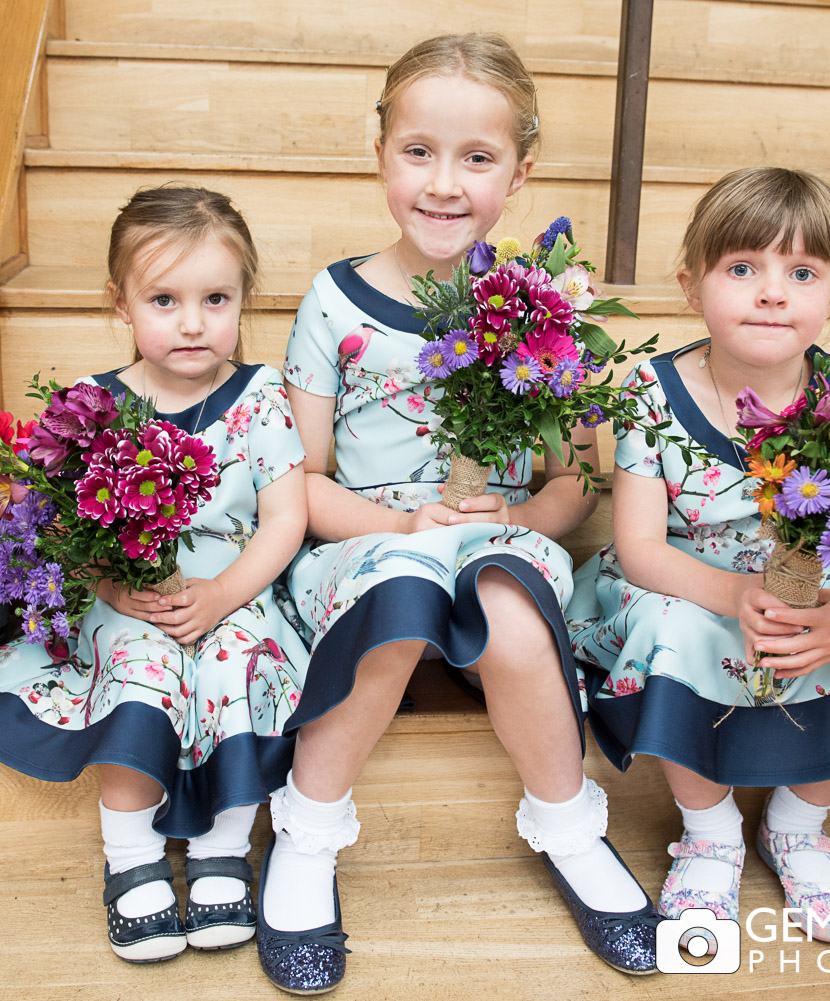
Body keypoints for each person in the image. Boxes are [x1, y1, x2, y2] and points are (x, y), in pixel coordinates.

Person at [261, 33, 660, 995]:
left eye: (477, 159)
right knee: (402, 597)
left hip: (496, 543)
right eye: (420, 152)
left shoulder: (544, 309)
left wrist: (520, 511)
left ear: (521, 171)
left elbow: (577, 483)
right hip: (367, 546)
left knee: (513, 611)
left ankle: (570, 828)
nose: (445, 184)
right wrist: (405, 530)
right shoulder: (334, 301)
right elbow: (298, 484)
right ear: (381, 152)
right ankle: (307, 838)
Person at [568, 166, 830, 943]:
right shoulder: (652, 394)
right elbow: (637, 548)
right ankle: (710, 831)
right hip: (684, 580)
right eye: (742, 268)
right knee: (676, 631)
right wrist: (732, 595)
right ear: (691, 285)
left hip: (805, 582)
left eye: (802, 272)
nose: (773, 292)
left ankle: (798, 823)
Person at [0, 186, 310, 962]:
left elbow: (285, 520)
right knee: (140, 667)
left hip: (232, 589)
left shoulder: (260, 400)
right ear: (120, 304)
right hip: (128, 599)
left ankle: (221, 845)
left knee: (232, 664)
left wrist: (221, 595)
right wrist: (111, 590)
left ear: (244, 299)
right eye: (164, 299)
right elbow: (69, 531)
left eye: (216, 298)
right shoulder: (95, 406)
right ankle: (132, 852)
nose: (190, 322)